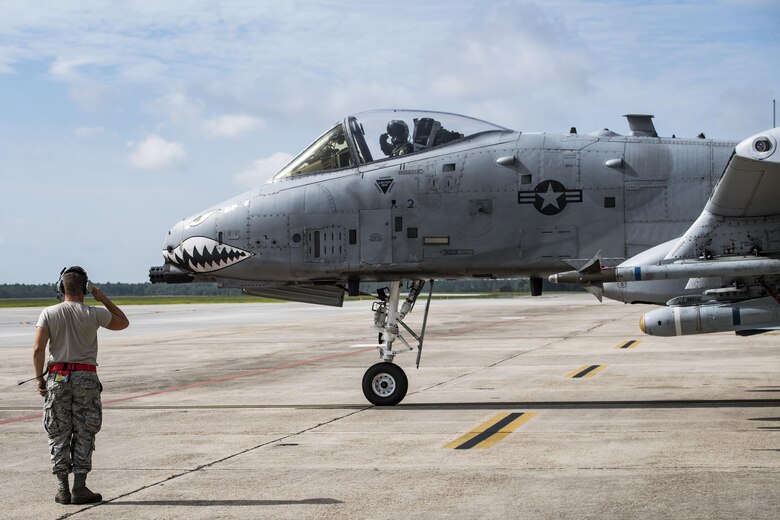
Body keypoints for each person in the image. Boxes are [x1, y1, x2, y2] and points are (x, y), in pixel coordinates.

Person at [32, 266, 129, 505]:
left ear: (60, 288)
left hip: (57, 377)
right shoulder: (93, 313)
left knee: (58, 431)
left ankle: (62, 489)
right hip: (86, 377)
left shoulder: (48, 313)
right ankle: (80, 487)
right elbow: (123, 322)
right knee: (85, 431)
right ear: (85, 289)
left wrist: (39, 379)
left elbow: (38, 349)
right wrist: (103, 298)